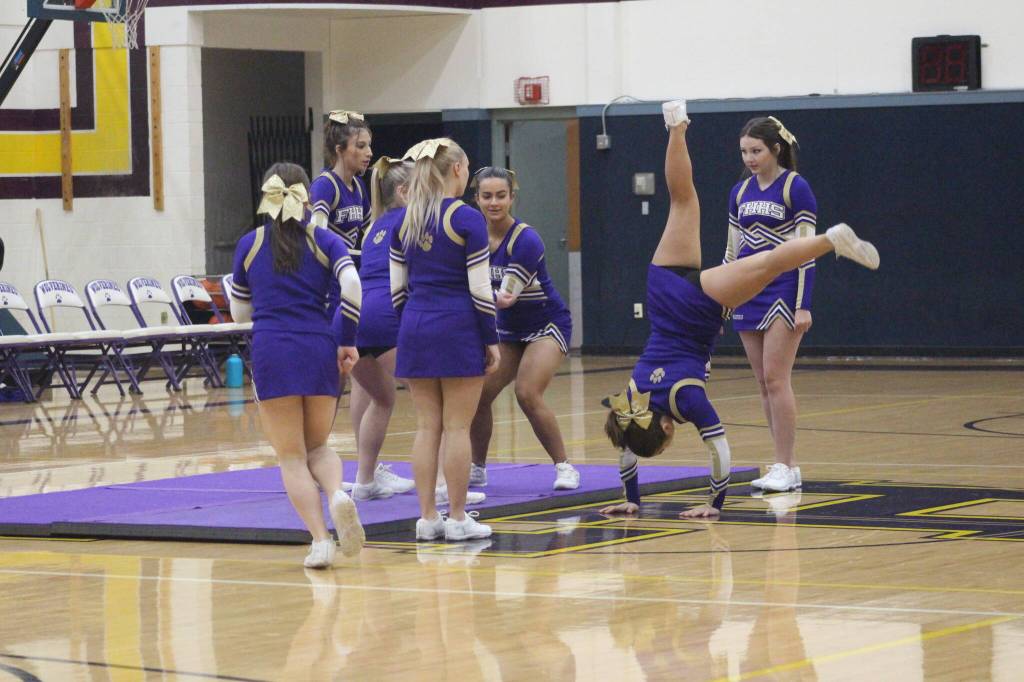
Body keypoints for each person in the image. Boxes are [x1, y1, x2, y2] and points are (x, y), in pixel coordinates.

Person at [600, 101, 879, 518]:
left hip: (701, 307)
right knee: (681, 200)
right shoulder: (631, 397)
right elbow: (624, 443)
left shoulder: (686, 399)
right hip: (664, 290)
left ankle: (829, 240)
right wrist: (630, 499)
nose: (749, 159)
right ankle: (676, 126)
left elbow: (720, 450)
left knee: (769, 264)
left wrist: (712, 505)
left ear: (664, 425)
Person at [229, 162, 365, 568]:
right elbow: (353, 286)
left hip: (273, 349)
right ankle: (339, 492)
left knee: (291, 455)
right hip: (318, 346)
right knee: (319, 445)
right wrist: (349, 340)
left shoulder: (250, 244)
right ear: (306, 197)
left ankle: (321, 540)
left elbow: (239, 313)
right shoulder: (325, 241)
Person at [390, 138, 499, 542]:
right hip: (458, 327)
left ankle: (426, 518)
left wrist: (413, 324)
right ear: (456, 170)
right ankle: (456, 519)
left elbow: (397, 291)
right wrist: (491, 339)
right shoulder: (467, 219)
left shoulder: (406, 219)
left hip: (416, 324)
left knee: (425, 427)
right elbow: (480, 289)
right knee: (456, 428)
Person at [467, 166, 579, 490]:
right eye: (486, 196)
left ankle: (564, 467)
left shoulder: (526, 240)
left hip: (546, 323)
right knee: (478, 394)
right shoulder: (472, 239)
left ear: (512, 197)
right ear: (476, 198)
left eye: (501, 196)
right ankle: (477, 467)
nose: (494, 203)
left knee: (527, 392)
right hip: (508, 330)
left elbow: (505, 298)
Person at [725, 116, 815, 493]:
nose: (750, 157)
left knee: (777, 379)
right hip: (747, 290)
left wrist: (802, 304)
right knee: (762, 383)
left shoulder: (796, 187)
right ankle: (781, 463)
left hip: (782, 290)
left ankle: (786, 464)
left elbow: (807, 251)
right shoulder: (739, 192)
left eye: (756, 150)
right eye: (745, 151)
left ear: (775, 149)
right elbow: (731, 248)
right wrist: (725, 294)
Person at [335, 156, 416, 499]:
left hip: (355, 318)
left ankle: (365, 481)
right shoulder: (412, 223)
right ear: (403, 191)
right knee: (435, 402)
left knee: (381, 399)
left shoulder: (375, 228)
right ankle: (444, 483)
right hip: (387, 316)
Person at [309, 110, 373, 271]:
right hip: (327, 274)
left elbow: (371, 231)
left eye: (369, 146)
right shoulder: (325, 185)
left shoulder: (358, 185)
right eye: (361, 146)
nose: (369, 153)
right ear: (339, 150)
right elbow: (316, 236)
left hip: (348, 270)